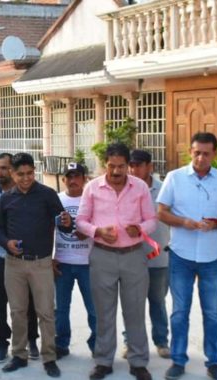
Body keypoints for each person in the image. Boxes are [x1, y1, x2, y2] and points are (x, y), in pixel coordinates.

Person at [157, 132, 217, 380]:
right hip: (181, 256)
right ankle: (178, 360)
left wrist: (215, 224)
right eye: (196, 152)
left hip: (211, 258)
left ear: (215, 154)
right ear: (190, 152)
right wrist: (183, 221)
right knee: (180, 311)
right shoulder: (174, 178)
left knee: (212, 312)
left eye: (206, 153)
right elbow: (161, 212)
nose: (201, 158)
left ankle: (214, 362)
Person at [76, 143, 157, 380]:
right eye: (111, 166)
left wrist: (140, 229)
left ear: (128, 166)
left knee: (135, 311)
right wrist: (98, 231)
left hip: (133, 255)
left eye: (121, 166)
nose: (116, 171)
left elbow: (152, 220)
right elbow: (81, 221)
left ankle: (139, 361)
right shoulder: (92, 187)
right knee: (104, 312)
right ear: (105, 165)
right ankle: (103, 361)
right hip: (102, 256)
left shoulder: (140, 187)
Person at [0, 152, 72, 378]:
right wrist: (6, 242)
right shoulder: (6, 198)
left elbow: (63, 224)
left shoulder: (47, 195)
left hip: (41, 263)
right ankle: (19, 355)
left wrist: (68, 223)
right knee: (18, 312)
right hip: (14, 264)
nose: (26, 178)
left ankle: (49, 357)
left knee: (46, 312)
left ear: (34, 171)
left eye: (29, 173)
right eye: (20, 174)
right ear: (12, 173)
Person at [0, 153, 41, 363]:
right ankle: (2, 343)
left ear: (13, 171)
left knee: (28, 303)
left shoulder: (28, 193)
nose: (0, 173)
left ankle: (31, 340)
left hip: (24, 258)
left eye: (4, 168)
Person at [125, 149, 171, 359]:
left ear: (149, 166)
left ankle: (161, 341)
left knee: (157, 302)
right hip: (130, 258)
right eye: (132, 165)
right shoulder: (124, 189)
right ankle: (130, 342)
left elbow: (174, 217)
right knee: (132, 304)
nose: (135, 169)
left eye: (139, 164)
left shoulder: (164, 190)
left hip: (158, 258)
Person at [53, 162, 97, 360]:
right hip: (62, 262)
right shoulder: (55, 200)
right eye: (69, 177)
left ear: (84, 178)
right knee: (60, 308)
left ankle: (97, 343)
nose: (73, 180)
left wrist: (86, 233)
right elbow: (47, 230)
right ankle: (61, 343)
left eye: (77, 176)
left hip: (88, 263)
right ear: (63, 180)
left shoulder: (92, 200)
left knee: (94, 308)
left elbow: (100, 228)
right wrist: (49, 258)